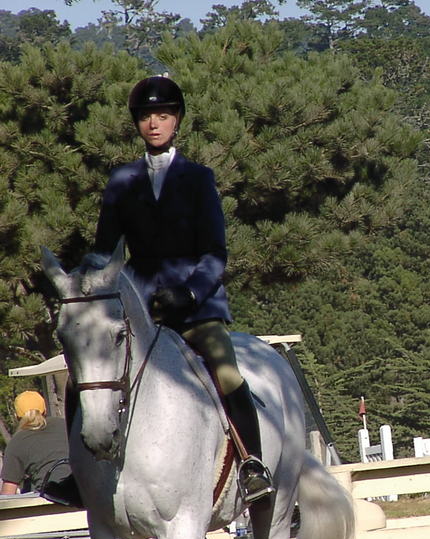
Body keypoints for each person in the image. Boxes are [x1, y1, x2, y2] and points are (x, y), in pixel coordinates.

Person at [46, 76, 273, 507]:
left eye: (163, 115)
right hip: (139, 306)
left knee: (226, 372)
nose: (154, 123)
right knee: (83, 379)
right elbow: (104, 250)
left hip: (195, 307)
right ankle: (80, 475)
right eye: (147, 116)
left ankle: (251, 465)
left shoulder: (198, 178)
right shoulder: (121, 180)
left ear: (177, 120)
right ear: (137, 123)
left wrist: (190, 294)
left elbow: (215, 252)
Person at [1, 391, 71, 495]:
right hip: (80, 490)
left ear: (16, 416)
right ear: (45, 410)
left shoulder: (16, 442)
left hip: (49, 497)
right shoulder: (65, 425)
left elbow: (8, 493)